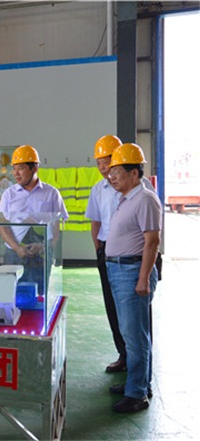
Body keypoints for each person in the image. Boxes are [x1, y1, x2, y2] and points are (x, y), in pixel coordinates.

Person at [86, 135, 157, 374]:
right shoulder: (99, 189)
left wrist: (144, 272)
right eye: (98, 163)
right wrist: (99, 248)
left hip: (134, 255)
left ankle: (140, 370)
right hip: (108, 252)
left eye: (107, 161)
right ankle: (124, 355)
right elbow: (95, 221)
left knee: (137, 314)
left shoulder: (140, 190)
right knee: (114, 306)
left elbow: (151, 234)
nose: (103, 167)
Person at [105, 143, 161, 414]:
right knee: (132, 333)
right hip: (120, 270)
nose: (111, 176)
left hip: (132, 271)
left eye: (117, 172)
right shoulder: (127, 198)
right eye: (111, 171)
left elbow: (152, 241)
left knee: (136, 336)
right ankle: (137, 383)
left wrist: (143, 278)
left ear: (134, 174)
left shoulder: (145, 199)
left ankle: (137, 394)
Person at [0, 145, 68, 293]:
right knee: (12, 295)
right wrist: (17, 248)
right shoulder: (9, 194)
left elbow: (58, 228)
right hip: (14, 255)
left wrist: (43, 247)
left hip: (41, 256)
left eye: (20, 168)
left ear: (34, 168)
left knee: (40, 295)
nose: (15, 173)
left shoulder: (52, 193)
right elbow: (2, 224)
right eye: (14, 168)